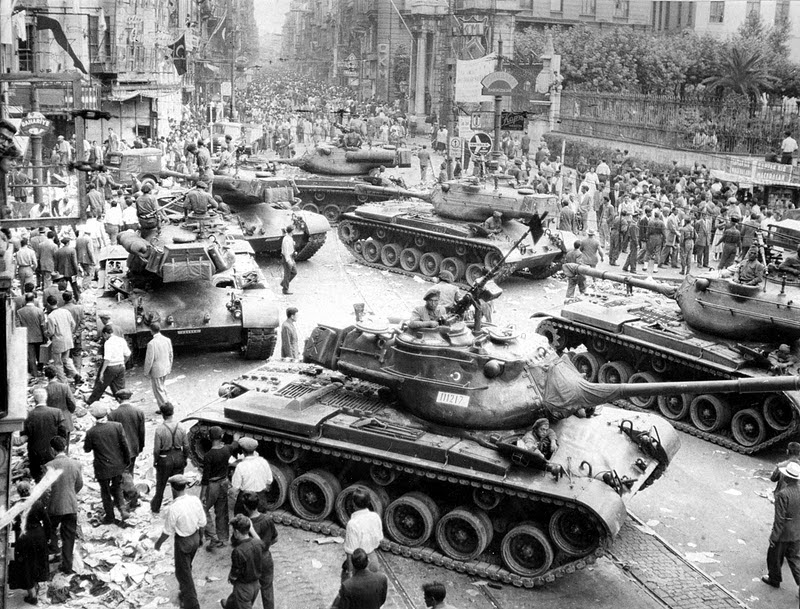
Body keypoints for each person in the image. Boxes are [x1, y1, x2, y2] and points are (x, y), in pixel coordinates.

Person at [154, 474, 206, 609]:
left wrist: (158, 544)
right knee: (187, 567)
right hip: (195, 537)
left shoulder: (174, 507)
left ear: (173, 489)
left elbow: (167, 531)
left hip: (183, 542)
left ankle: (192, 604)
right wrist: (200, 538)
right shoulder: (195, 500)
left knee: (183, 574)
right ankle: (184, 593)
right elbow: (202, 522)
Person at [83, 404, 132, 524]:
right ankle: (122, 509)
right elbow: (124, 445)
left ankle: (110, 516)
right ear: (106, 413)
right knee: (117, 487)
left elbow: (87, 449)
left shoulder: (91, 432)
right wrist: (127, 461)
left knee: (105, 491)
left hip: (102, 467)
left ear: (93, 416)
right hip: (117, 464)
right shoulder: (117, 426)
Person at [45, 435, 82, 574]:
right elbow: (80, 484)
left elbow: (46, 489)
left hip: (54, 505)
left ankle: (54, 549)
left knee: (50, 529)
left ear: (52, 450)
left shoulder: (49, 465)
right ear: (65, 447)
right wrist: (71, 494)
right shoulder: (76, 464)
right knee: (69, 537)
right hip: (71, 505)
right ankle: (67, 566)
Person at [9, 483, 51, 605]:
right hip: (38, 536)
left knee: (26, 565)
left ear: (19, 492)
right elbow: (47, 522)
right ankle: (40, 590)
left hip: (23, 538)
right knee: (39, 562)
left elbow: (12, 525)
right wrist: (47, 537)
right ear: (30, 490)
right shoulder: (38, 504)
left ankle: (32, 595)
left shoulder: (15, 506)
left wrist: (12, 543)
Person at [762, 461, 800, 588]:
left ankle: (774, 579)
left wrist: (774, 537)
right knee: (794, 559)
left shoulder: (783, 494)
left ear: (787, 477)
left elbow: (779, 519)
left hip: (784, 533)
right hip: (797, 531)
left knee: (774, 556)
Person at [20, 387, 67, 481]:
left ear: (34, 399)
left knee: (38, 479)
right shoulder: (57, 412)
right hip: (53, 451)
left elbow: (24, 434)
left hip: (35, 453)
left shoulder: (29, 415)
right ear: (46, 398)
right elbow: (63, 431)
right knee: (54, 478)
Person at [201, 426, 237, 550]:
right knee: (221, 511)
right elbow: (234, 444)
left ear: (209, 437)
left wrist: (202, 495)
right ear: (221, 436)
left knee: (202, 509)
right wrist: (236, 437)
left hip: (212, 485)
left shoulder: (208, 455)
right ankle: (223, 538)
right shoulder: (227, 449)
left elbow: (205, 478)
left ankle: (212, 537)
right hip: (224, 483)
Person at [151, 402, 189, 514]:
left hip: (165, 458)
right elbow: (186, 446)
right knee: (178, 485)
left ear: (162, 414)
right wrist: (184, 458)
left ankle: (156, 508)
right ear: (173, 412)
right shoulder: (181, 426)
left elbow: (156, 450)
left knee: (160, 486)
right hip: (179, 456)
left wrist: (156, 461)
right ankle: (179, 509)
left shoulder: (159, 429)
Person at [242, 492, 278, 609]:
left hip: (251, 560)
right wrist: (266, 546)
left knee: (247, 589)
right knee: (267, 588)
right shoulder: (267, 519)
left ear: (245, 506)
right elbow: (275, 538)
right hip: (266, 558)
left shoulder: (244, 523)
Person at [221, 514, 262, 609]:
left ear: (237, 532)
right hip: (256, 584)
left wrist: (231, 577)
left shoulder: (238, 551)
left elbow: (236, 571)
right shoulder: (257, 543)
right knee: (237, 600)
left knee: (241, 600)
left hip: (244, 588)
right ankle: (229, 605)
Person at [342, 490, 384, 580]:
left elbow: (350, 552)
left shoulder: (353, 524)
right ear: (368, 502)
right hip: (373, 561)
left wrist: (350, 574)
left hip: (359, 563)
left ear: (353, 504)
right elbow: (379, 539)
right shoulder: (375, 516)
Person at [85, 324, 130, 404]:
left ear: (105, 333)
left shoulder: (108, 343)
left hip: (111, 367)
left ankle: (91, 402)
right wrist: (123, 363)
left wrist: (102, 372)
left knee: (100, 386)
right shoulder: (121, 340)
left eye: (103, 335)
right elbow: (128, 354)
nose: (104, 337)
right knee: (120, 387)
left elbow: (107, 359)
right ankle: (123, 403)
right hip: (121, 367)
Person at [231, 437, 273, 515]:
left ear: (243, 451)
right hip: (260, 497)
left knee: (241, 520)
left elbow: (235, 487)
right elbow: (269, 480)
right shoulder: (264, 462)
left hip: (245, 497)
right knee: (259, 519)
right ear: (254, 450)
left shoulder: (241, 466)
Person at [108, 389, 145, 474]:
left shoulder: (112, 415)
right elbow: (141, 432)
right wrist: (141, 446)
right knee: (130, 470)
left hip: (119, 449)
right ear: (130, 398)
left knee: (121, 472)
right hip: (134, 446)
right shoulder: (139, 412)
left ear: (118, 399)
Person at [44, 364, 77, 449]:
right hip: (65, 418)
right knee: (65, 444)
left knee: (53, 445)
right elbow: (72, 402)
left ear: (46, 376)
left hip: (52, 421)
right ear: (56, 374)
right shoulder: (64, 387)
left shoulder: (45, 390)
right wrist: (69, 412)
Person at [144, 322, 173, 409]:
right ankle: (168, 403)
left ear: (151, 331)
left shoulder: (151, 343)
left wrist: (146, 372)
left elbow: (149, 360)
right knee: (163, 387)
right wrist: (169, 366)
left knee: (158, 390)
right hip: (166, 367)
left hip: (157, 370)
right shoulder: (167, 340)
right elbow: (171, 354)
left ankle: (164, 408)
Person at [16, 293, 46, 377]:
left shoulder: (19, 312)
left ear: (25, 300)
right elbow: (43, 325)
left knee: (31, 357)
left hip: (27, 337)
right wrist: (45, 336)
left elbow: (18, 325)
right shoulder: (39, 311)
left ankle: (34, 374)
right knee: (40, 355)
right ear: (33, 300)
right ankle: (40, 370)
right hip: (39, 336)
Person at [54, 236, 80, 301]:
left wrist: (56, 271)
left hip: (61, 272)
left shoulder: (58, 251)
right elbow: (74, 262)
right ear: (68, 243)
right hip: (71, 272)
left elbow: (56, 263)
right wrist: (77, 271)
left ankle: (61, 300)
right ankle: (77, 299)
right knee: (74, 286)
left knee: (62, 287)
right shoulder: (72, 250)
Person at [280, 225, 297, 295]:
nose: (295, 231)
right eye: (294, 230)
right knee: (287, 274)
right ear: (291, 231)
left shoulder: (290, 238)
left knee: (294, 272)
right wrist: (288, 260)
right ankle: (285, 289)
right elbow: (286, 251)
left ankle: (284, 283)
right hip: (287, 257)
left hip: (291, 256)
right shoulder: (286, 239)